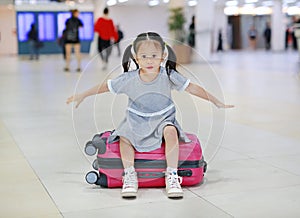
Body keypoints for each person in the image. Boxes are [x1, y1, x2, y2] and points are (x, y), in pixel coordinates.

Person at [66, 32, 234, 199]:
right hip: (135, 120)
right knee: (124, 137)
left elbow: (193, 88)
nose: (149, 60)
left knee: (171, 132)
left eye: (154, 56)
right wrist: (83, 94)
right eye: (144, 56)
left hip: (163, 119)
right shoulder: (129, 78)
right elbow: (106, 86)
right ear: (136, 57)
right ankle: (130, 175)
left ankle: (172, 175)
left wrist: (216, 101)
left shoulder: (168, 75)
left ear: (163, 56)